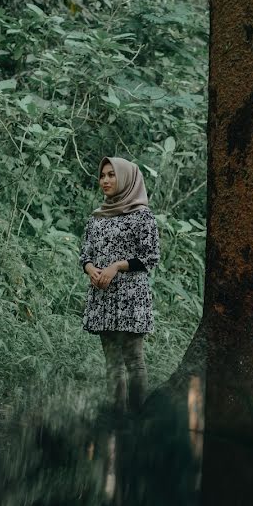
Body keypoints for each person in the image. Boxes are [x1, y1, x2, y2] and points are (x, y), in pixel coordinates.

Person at [79, 157, 160, 415]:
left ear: (126, 178)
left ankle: (137, 420)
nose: (105, 180)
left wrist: (117, 266)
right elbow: (85, 254)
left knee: (134, 360)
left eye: (112, 175)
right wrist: (91, 268)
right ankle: (117, 418)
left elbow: (150, 257)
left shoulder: (142, 216)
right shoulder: (97, 218)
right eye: (102, 175)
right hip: (102, 295)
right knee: (112, 362)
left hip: (130, 297)